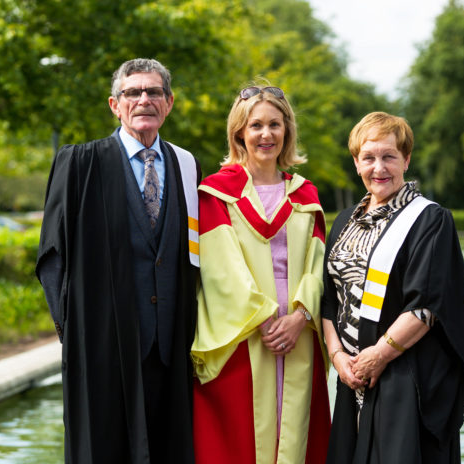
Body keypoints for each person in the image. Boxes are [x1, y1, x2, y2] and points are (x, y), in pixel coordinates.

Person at [36, 58, 200, 464]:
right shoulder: (79, 164)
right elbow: (52, 257)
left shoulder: (186, 165)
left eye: (154, 92)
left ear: (169, 102)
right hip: (103, 346)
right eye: (133, 93)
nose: (144, 100)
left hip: (171, 345)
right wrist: (76, 331)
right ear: (115, 104)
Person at [322, 111, 464, 463]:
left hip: (404, 377)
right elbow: (327, 300)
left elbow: (426, 306)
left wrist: (378, 356)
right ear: (356, 163)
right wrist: (338, 359)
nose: (379, 168)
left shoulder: (429, 220)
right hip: (351, 378)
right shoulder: (345, 221)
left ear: (406, 159)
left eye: (389, 156)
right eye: (369, 158)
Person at [190, 85, 331, 464]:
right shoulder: (215, 193)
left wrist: (300, 316)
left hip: (297, 334)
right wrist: (268, 318)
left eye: (275, 124)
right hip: (244, 333)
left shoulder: (306, 195)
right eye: (255, 126)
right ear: (240, 132)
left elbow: (318, 266)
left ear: (287, 130)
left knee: (297, 432)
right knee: (239, 441)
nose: (265, 134)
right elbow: (220, 269)